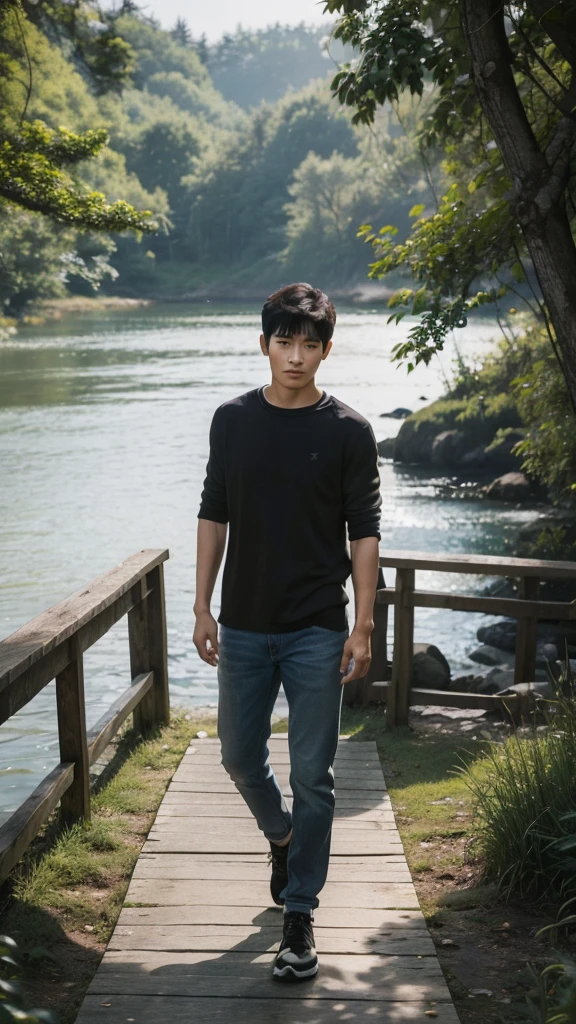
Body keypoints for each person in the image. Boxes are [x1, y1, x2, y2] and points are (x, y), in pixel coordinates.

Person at [193, 282, 381, 980]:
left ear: (326, 350)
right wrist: (201, 604)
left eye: (310, 344)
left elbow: (365, 532)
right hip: (241, 622)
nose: (296, 356)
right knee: (239, 757)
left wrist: (361, 624)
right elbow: (215, 511)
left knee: (314, 774)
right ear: (264, 342)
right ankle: (282, 834)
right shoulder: (232, 419)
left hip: (315, 628)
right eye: (284, 341)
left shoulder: (348, 432)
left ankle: (299, 914)